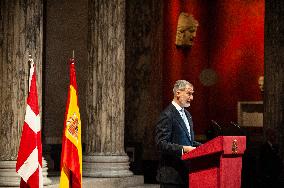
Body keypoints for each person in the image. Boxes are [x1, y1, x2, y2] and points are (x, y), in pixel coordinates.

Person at [155, 80, 201, 188]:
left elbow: (189, 141)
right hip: (171, 176)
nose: (192, 98)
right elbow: (160, 143)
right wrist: (183, 149)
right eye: (189, 93)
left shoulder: (187, 114)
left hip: (186, 174)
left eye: (192, 94)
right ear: (178, 93)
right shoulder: (167, 114)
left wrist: (207, 147)